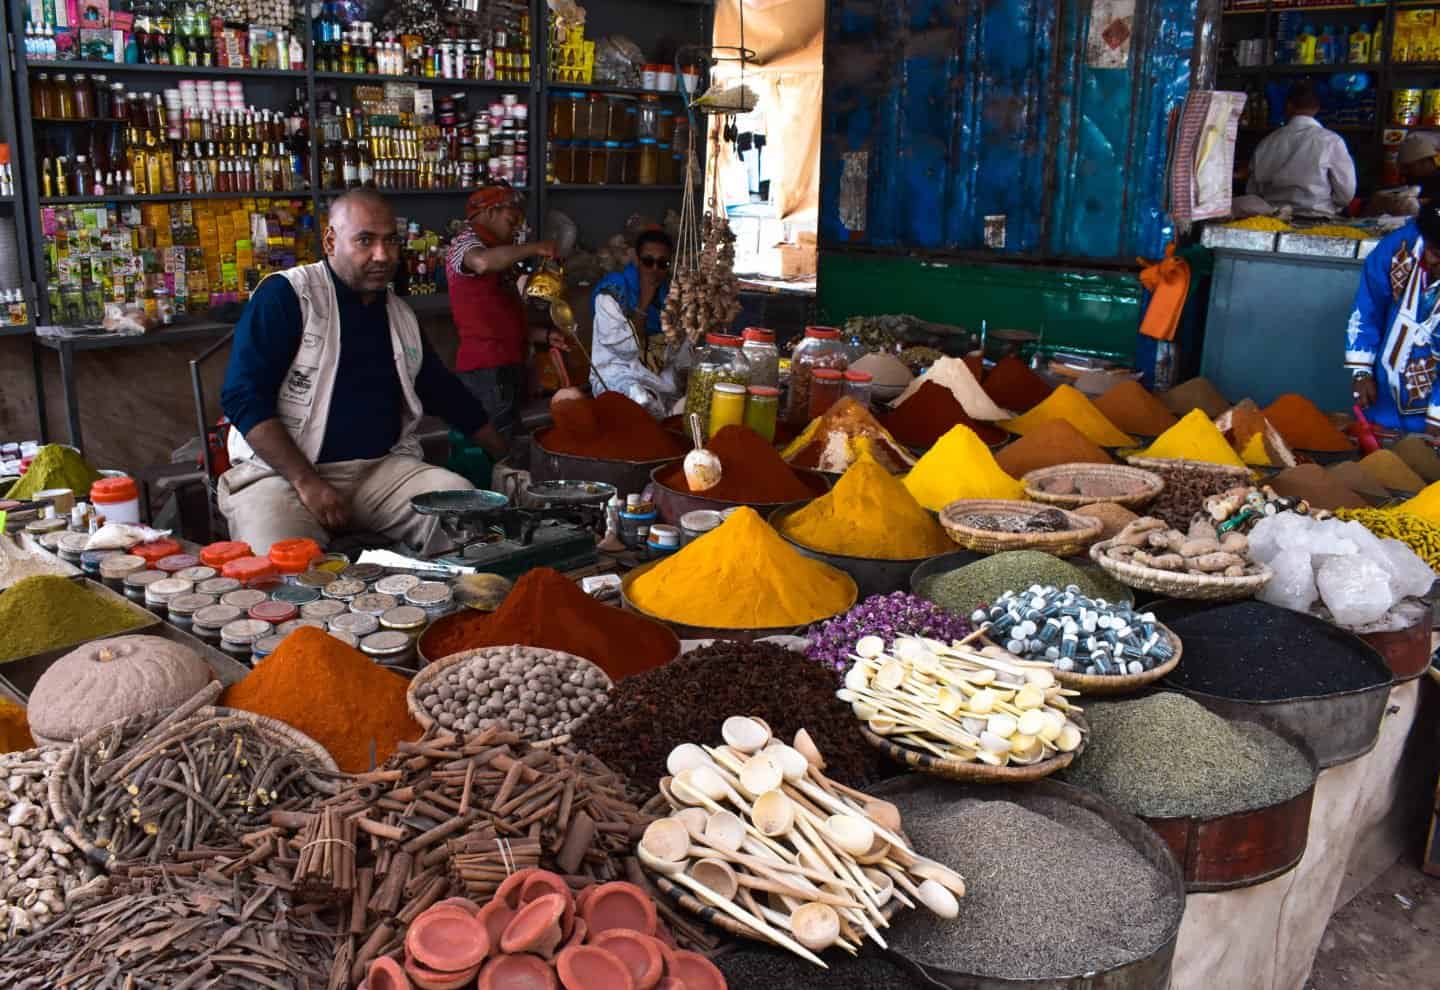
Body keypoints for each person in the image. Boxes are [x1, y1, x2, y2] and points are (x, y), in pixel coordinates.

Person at [218, 188, 505, 553]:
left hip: (377, 472)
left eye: (391, 241)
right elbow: (243, 397)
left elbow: (441, 390)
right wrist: (307, 481)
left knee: (464, 510)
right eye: (365, 241)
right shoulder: (288, 296)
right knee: (280, 560)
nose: (382, 256)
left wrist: (502, 453)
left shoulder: (399, 315)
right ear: (330, 240)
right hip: (280, 476)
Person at [447, 183, 558, 437]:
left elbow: (502, 319)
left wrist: (544, 335)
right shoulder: (465, 244)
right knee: (506, 448)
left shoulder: (502, 257)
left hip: (506, 366)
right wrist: (535, 247)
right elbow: (482, 262)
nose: (516, 224)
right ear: (489, 213)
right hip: (485, 371)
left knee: (513, 442)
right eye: (512, 217)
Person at [1346, 203, 1440, 437]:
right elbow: (1367, 308)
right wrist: (1361, 370)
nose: (1431, 259)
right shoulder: (1397, 247)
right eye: (1433, 250)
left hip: (1430, 406)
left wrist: (1437, 414)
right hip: (1383, 395)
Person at [588, 229, 691, 416]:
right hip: (616, 378)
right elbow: (625, 351)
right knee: (639, 400)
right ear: (636, 259)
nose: (654, 270)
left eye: (662, 264)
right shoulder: (612, 292)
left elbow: (680, 356)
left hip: (659, 385)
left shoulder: (671, 298)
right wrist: (644, 301)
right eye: (648, 261)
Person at [1248, 81, 1357, 215]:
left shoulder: (1267, 142)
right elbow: (1346, 191)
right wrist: (1333, 205)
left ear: (1288, 106)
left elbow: (1253, 191)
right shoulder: (1331, 141)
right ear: (1317, 108)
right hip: (1318, 219)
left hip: (1273, 219)